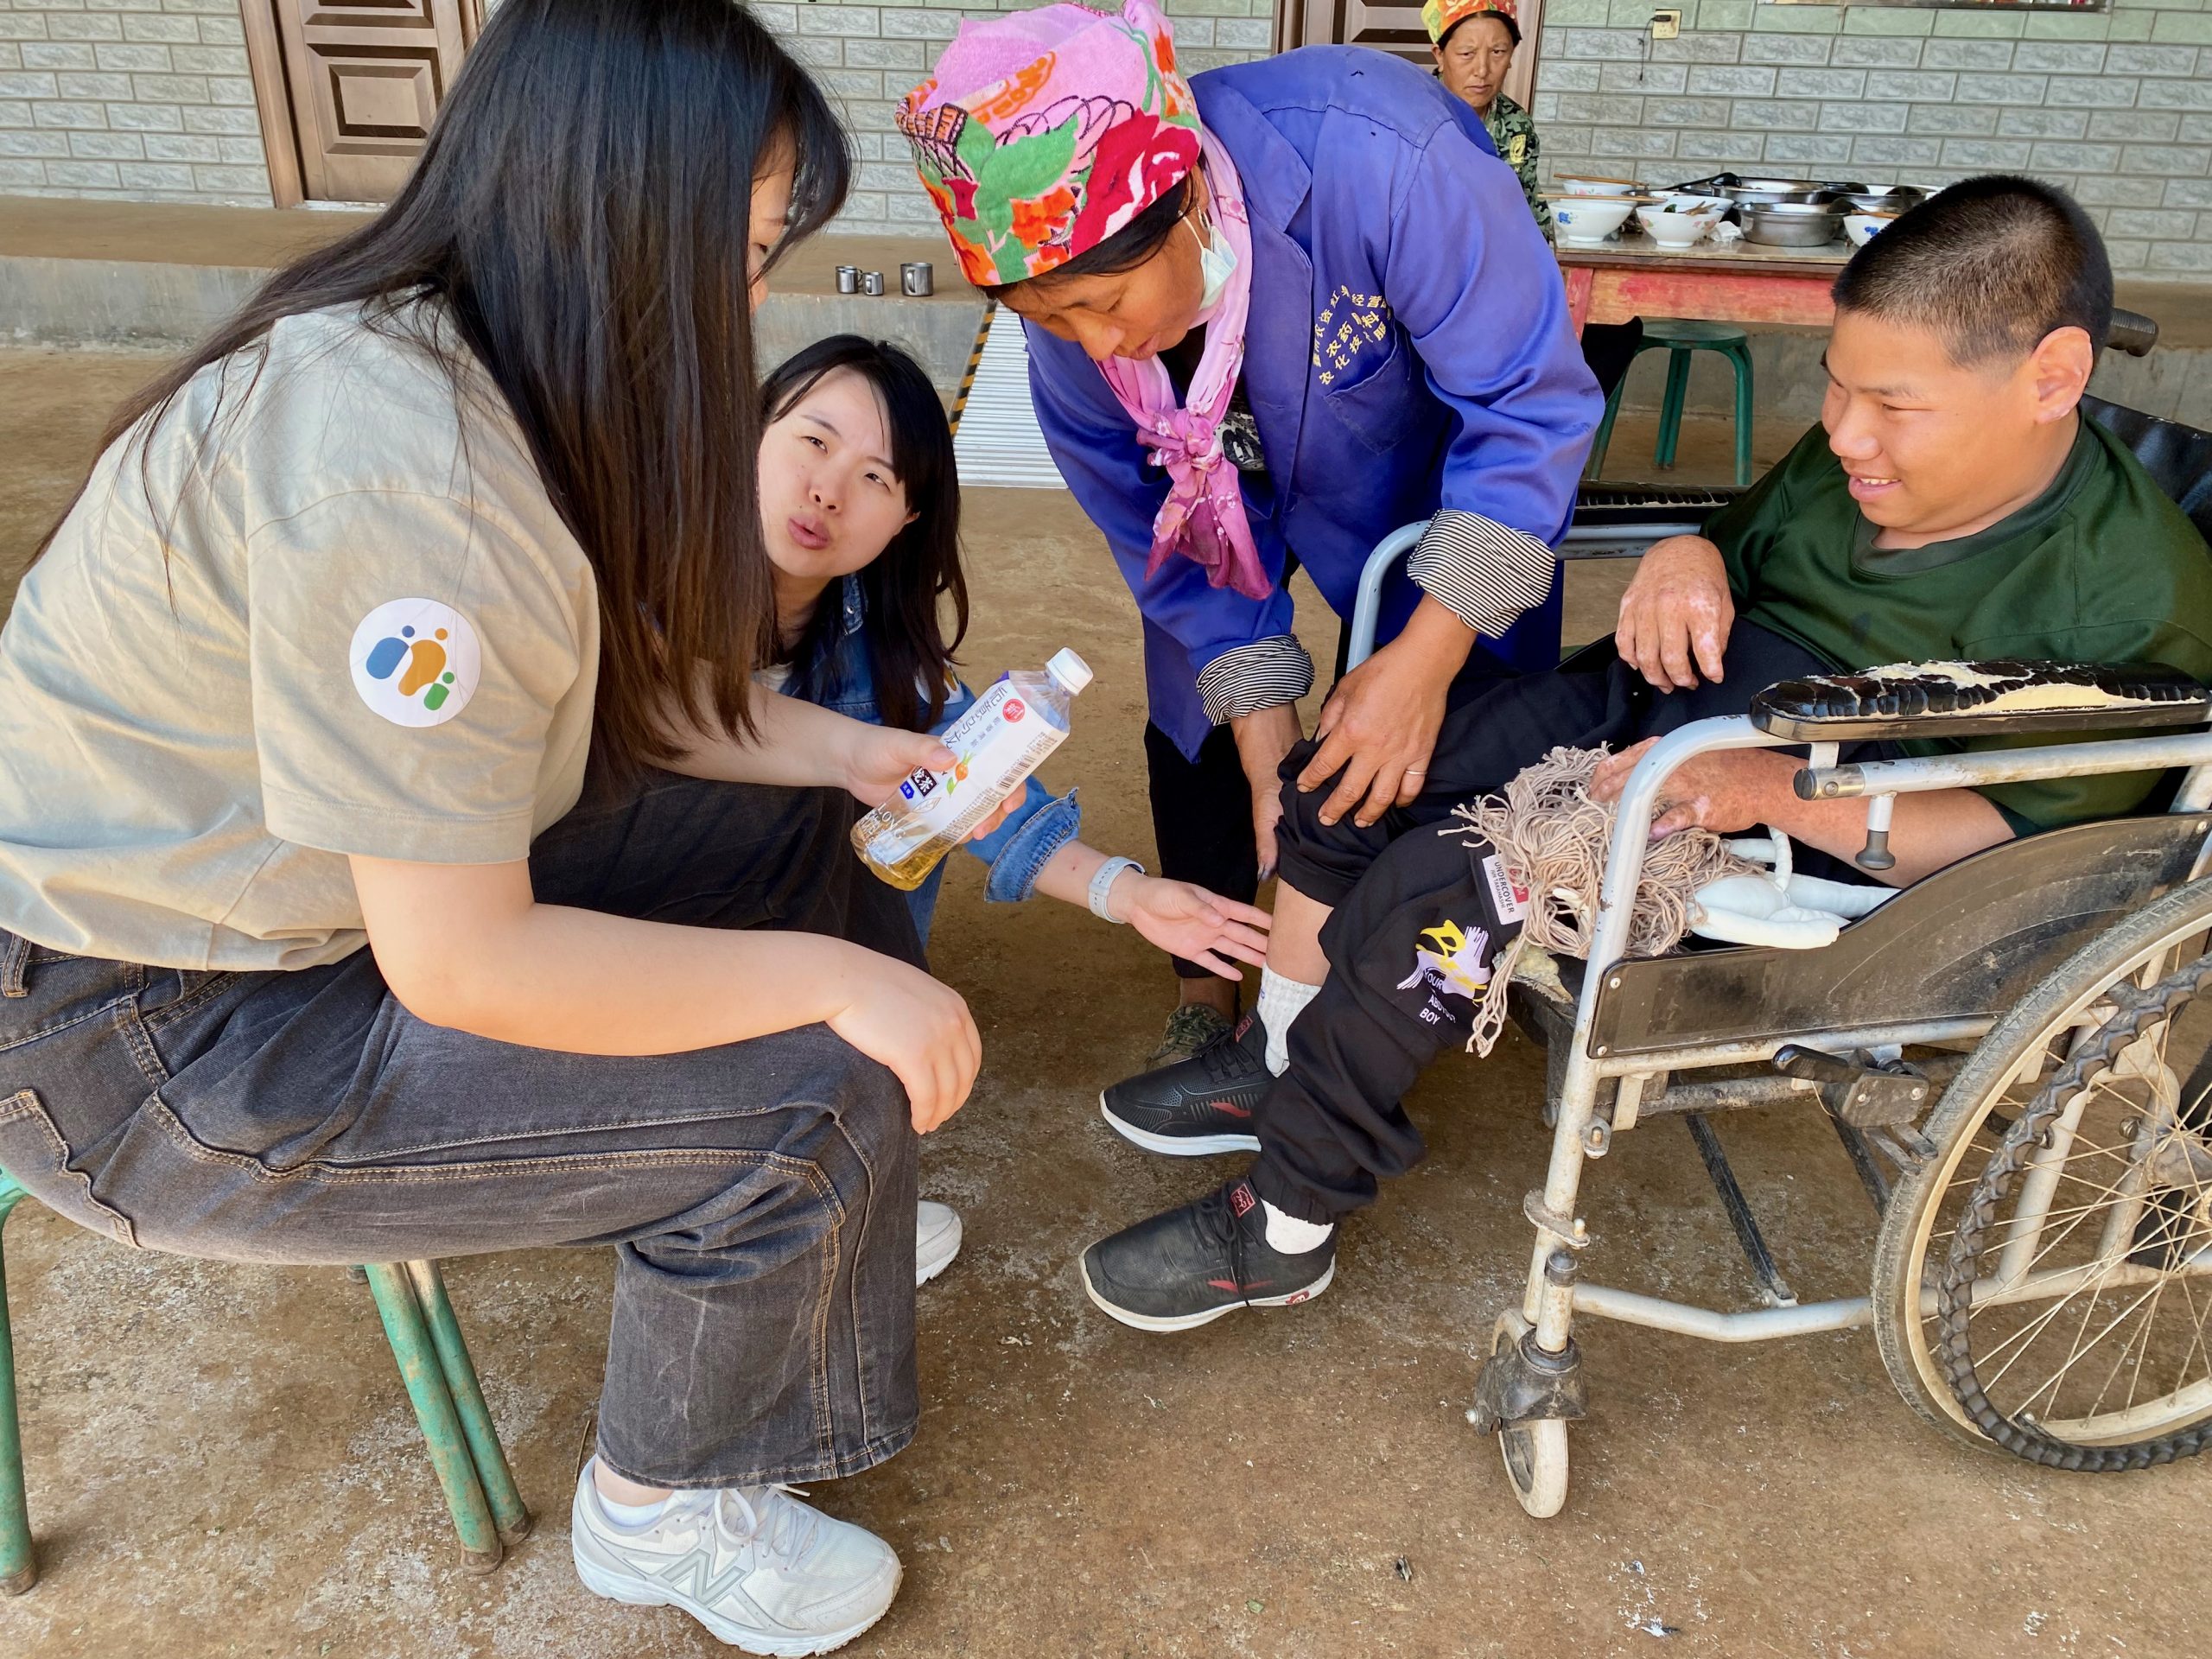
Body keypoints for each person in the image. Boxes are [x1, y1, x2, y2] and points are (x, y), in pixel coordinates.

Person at [0, 4, 977, 1650]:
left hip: (279, 917)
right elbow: (461, 960)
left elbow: (635, 708)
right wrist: (842, 988)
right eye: (737, 251)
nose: (748, 307)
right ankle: (662, 1504)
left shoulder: (467, 360)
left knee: (787, 850)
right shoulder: (414, 475)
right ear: (608, 204)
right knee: (823, 1080)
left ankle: (799, 1219)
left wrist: (866, 756)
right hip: (152, 1036)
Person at [1074, 175, 2212, 1331]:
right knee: (1353, 774)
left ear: (2053, 377)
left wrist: (1774, 789)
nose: (1842, 431)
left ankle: (1285, 1227)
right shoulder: (1850, 460)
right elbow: (1731, 539)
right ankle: (1280, 1058)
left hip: (1810, 808)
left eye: (1893, 406)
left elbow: (2029, 850)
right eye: (1835, 382)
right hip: (1675, 700)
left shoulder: (2134, 594)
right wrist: (1685, 558)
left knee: (1441, 886)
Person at [899, 1, 1602, 1068]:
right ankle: (1215, 978)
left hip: (1428, 485)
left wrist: (1424, 653)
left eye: (1108, 300)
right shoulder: (1072, 343)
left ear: (1183, 199)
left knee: (1461, 725)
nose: (1101, 341)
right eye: (1053, 318)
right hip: (1214, 520)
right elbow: (1158, 545)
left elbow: (1526, 410)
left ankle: (1441, 977)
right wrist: (1270, 754)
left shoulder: (1385, 157)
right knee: (1202, 705)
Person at [757, 334, 1272, 979]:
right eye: (815, 442)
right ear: (756, 423)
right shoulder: (632, 605)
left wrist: (1130, 894)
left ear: (907, 518)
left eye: (874, 478)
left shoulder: (887, 653)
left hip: (822, 977)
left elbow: (982, 790)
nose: (828, 492)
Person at [1428, 0, 1547, 239]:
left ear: (1512, 55)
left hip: (1497, 260)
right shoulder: (1410, 117)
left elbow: (1529, 212)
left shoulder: (1518, 125)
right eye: (1466, 54)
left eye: (1497, 52)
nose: (1482, 70)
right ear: (1440, 55)